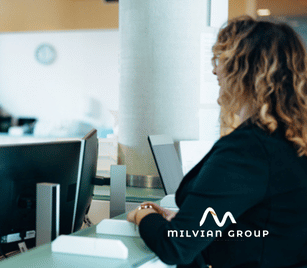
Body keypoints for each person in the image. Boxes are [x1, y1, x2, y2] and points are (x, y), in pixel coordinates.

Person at [127, 16, 307, 267]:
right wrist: (192, 221)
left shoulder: (248, 148)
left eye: (221, 61)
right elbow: (267, 222)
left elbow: (175, 247)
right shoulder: (291, 139)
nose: (214, 71)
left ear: (244, 71)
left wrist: (142, 214)